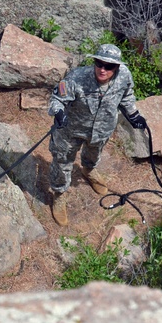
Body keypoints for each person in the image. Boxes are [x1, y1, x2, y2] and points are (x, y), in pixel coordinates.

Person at [47, 43, 147, 226]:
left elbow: (127, 95)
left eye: (109, 66)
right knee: (62, 162)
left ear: (117, 67)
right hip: (70, 130)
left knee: (94, 154)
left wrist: (133, 115)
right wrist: (59, 112)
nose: (102, 69)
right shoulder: (76, 77)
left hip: (101, 130)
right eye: (99, 63)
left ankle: (88, 170)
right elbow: (57, 99)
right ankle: (59, 194)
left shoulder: (124, 75)